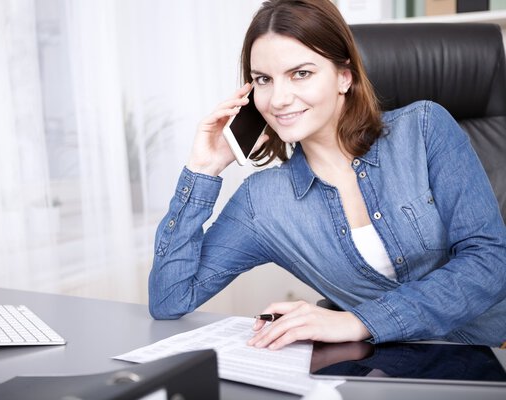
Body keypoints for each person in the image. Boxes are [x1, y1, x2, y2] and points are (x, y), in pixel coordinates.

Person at [148, 0, 506, 350]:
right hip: (396, 374)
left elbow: (489, 261)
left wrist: (358, 321)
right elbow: (170, 299)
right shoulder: (264, 203)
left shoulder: (424, 129)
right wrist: (202, 170)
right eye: (263, 79)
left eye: (300, 73)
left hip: (495, 351)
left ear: (344, 77)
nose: (278, 99)